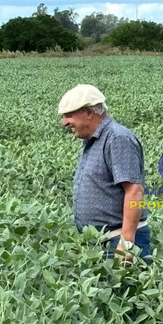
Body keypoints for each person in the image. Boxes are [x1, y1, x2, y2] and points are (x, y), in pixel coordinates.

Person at [58, 84, 151, 264]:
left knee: (126, 291)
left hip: (119, 241)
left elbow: (134, 191)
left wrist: (126, 245)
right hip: (100, 242)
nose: (64, 122)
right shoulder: (93, 140)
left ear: (88, 112)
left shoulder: (117, 138)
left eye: (69, 115)